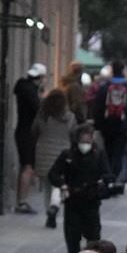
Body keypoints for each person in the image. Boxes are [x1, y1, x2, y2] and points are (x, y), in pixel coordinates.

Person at [48, 124, 112, 253]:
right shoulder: (68, 155)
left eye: (88, 141)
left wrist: (100, 185)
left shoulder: (98, 154)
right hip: (73, 203)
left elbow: (108, 175)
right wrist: (63, 185)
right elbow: (53, 174)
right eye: (83, 141)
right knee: (72, 240)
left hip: (91, 203)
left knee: (93, 240)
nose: (86, 144)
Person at [34, 87, 77, 229]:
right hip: (62, 153)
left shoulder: (43, 115)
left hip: (44, 151)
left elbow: (34, 130)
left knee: (47, 184)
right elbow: (74, 134)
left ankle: (49, 212)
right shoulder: (70, 117)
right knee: (58, 183)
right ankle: (54, 205)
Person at [13, 62, 46, 213]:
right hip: (27, 133)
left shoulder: (23, 88)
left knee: (26, 166)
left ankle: (21, 200)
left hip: (22, 131)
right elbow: (40, 110)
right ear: (41, 78)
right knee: (28, 167)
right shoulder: (32, 92)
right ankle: (22, 202)